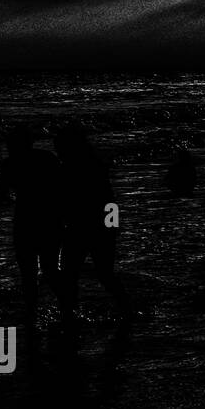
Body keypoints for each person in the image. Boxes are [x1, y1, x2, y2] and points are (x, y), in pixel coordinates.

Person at [0, 125, 66, 326]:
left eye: (11, 144)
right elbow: (63, 190)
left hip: (29, 222)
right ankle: (64, 308)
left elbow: (1, 197)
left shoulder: (12, 164)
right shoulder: (46, 158)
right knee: (46, 270)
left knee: (33, 272)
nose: (9, 147)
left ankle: (37, 313)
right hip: (47, 221)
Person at [54, 123, 129, 322]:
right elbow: (109, 199)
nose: (57, 150)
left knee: (73, 274)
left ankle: (68, 314)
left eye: (59, 146)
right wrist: (113, 227)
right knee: (101, 274)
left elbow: (104, 199)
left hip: (83, 229)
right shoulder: (91, 165)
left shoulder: (74, 168)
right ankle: (125, 309)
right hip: (91, 228)